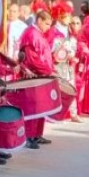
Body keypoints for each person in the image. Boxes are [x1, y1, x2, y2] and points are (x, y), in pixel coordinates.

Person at [17, 10, 56, 147]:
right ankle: (29, 136)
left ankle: (37, 134)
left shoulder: (39, 34)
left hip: (42, 74)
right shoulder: (31, 34)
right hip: (34, 74)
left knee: (41, 106)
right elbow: (32, 58)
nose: (48, 27)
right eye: (46, 23)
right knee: (33, 106)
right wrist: (47, 70)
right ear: (39, 20)